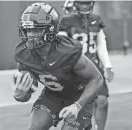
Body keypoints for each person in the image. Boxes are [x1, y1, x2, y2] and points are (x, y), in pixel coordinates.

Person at [13, 2, 104, 130]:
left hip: (79, 94)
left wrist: (77, 105)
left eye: (35, 29)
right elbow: (27, 94)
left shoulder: (67, 51)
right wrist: (19, 94)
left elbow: (97, 79)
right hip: (53, 95)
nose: (29, 34)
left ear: (50, 29)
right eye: (27, 29)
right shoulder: (23, 54)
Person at [58, 1, 114, 130]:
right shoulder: (66, 21)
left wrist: (107, 65)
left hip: (94, 68)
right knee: (77, 107)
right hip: (75, 70)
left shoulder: (96, 19)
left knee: (102, 101)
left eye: (88, 2)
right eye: (82, 3)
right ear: (75, 4)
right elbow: (61, 47)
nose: (85, 6)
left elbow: (101, 44)